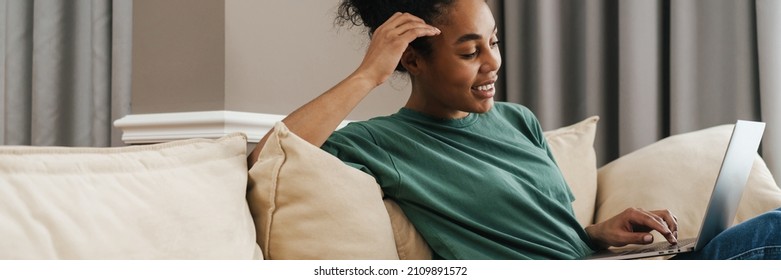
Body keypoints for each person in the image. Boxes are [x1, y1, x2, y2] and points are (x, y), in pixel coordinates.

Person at [248, 0, 781, 260]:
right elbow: (274, 157)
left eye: (494, 42)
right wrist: (369, 72)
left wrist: (596, 232)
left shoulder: (518, 120)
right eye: (469, 50)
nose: (493, 63)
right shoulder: (381, 143)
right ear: (412, 60)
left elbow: (551, 229)